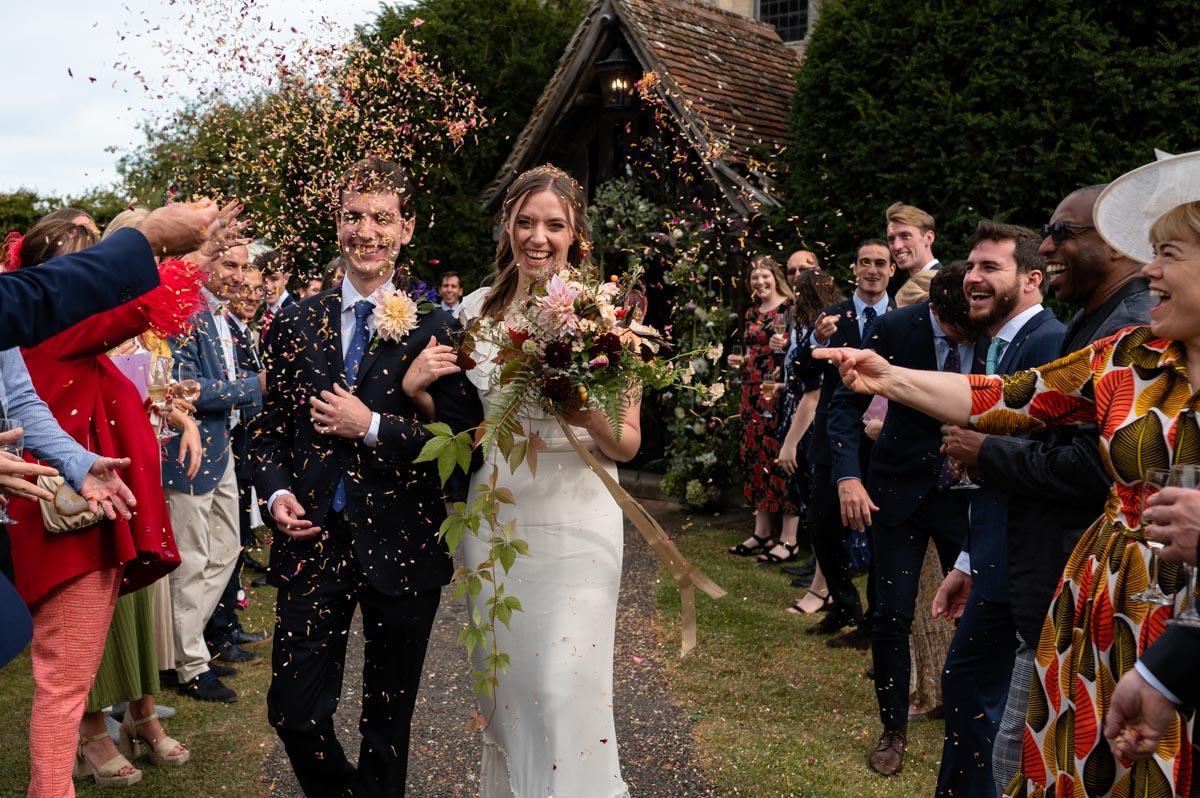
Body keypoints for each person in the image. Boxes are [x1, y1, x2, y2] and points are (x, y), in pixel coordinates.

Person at [815, 149, 1200, 798]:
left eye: (1170, 255)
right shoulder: (1132, 356)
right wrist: (891, 378)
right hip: (1101, 611)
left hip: (1181, 621)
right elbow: (1008, 397)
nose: (1150, 271)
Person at [253, 157, 482, 798]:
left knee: (388, 726)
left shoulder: (440, 327)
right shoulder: (294, 322)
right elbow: (267, 431)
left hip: (405, 545)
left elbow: (464, 447)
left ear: (406, 229)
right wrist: (275, 495)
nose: (367, 230)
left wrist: (373, 424)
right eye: (354, 216)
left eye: (382, 218)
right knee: (292, 709)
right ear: (337, 224)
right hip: (313, 542)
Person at [958, 186, 1153, 795]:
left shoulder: (1132, 332)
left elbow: (1091, 468)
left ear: (1118, 244)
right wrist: (886, 374)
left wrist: (985, 452)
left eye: (1062, 232)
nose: (1045, 247)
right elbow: (1008, 398)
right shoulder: (1101, 330)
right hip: (1060, 588)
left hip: (1105, 598)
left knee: (1030, 766)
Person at [459, 164, 638, 798]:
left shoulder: (605, 315)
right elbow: (462, 421)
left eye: (554, 225)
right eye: (526, 222)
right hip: (497, 523)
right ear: (507, 226)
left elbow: (627, 440)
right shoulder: (474, 313)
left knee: (564, 686)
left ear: (575, 235)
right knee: (509, 690)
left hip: (578, 519)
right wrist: (419, 392)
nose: (539, 237)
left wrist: (580, 403)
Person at [7, 210, 199, 795]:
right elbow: (132, 311)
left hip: (89, 503)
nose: (88, 278)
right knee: (65, 681)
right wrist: (181, 263)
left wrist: (80, 461)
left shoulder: (33, 329)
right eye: (81, 262)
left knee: (67, 677)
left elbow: (25, 405)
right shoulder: (49, 325)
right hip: (64, 528)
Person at [825, 260, 984, 777]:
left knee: (982, 612)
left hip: (968, 497)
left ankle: (975, 726)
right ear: (934, 310)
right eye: (955, 329)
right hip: (898, 492)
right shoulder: (896, 327)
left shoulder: (990, 327)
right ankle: (893, 729)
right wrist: (848, 476)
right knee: (890, 614)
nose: (966, 334)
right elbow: (846, 406)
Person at [163, 227, 262, 702]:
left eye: (244, 266)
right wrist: (254, 387)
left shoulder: (223, 314)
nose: (240, 276)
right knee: (193, 559)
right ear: (206, 263)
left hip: (223, 447)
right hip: (187, 450)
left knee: (227, 548)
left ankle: (174, 647)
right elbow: (185, 388)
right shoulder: (183, 309)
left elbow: (219, 382)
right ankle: (190, 664)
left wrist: (246, 387)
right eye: (230, 265)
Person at [791, 240, 896, 637]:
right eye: (865, 262)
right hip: (833, 436)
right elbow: (802, 373)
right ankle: (844, 603)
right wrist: (816, 342)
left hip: (883, 440)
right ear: (854, 269)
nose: (872, 269)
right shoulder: (831, 316)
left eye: (880, 263)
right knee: (820, 524)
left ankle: (873, 619)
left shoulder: (903, 319)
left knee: (880, 530)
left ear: (891, 271)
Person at [0, 201, 220, 349]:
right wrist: (151, 239)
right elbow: (133, 313)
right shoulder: (51, 332)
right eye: (81, 257)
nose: (90, 257)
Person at [776, 268, 843, 613]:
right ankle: (824, 579)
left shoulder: (827, 334)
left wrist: (790, 441)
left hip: (815, 425)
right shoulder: (811, 331)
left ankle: (822, 587)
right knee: (818, 510)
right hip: (806, 418)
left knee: (822, 512)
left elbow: (813, 394)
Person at [726, 256, 800, 562]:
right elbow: (753, 352)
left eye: (764, 275)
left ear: (775, 276)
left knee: (779, 457)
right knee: (755, 456)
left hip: (777, 392)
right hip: (751, 393)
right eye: (754, 277)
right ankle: (761, 532)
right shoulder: (752, 313)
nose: (760, 282)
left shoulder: (790, 308)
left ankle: (789, 538)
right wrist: (740, 362)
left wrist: (784, 354)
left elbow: (799, 350)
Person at [886, 202, 941, 279]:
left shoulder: (947, 284)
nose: (896, 246)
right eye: (891, 239)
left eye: (905, 236)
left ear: (929, 238)